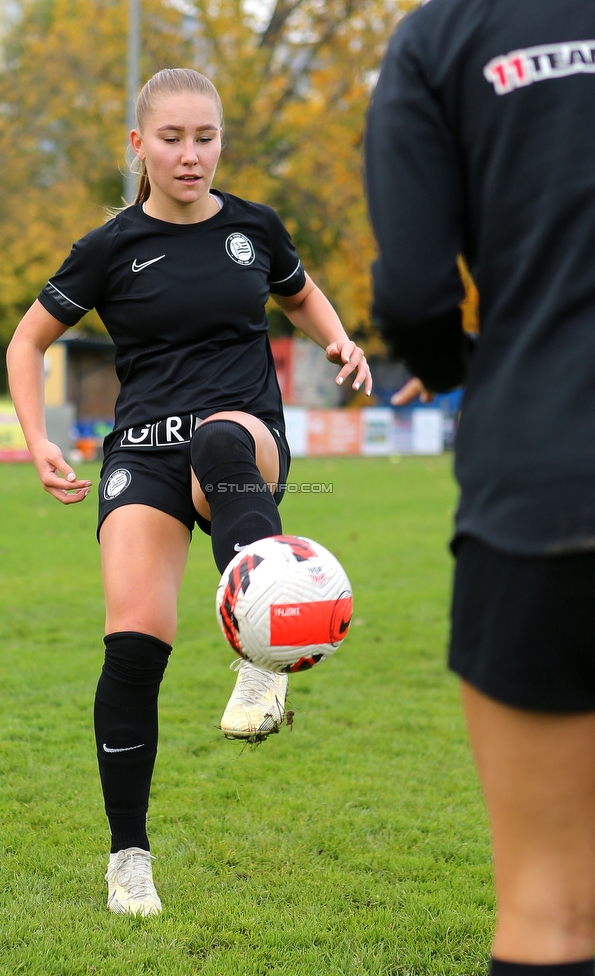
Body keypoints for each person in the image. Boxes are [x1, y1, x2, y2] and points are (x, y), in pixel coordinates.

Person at [6, 67, 371, 917]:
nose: (191, 154)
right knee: (133, 646)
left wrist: (339, 340)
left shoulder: (255, 227)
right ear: (139, 144)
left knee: (218, 439)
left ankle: (261, 662)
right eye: (171, 138)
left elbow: (300, 291)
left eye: (205, 137)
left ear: (219, 141)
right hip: (140, 452)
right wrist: (37, 439)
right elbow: (27, 343)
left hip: (240, 440)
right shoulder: (109, 247)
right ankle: (127, 858)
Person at [364, 2, 595, 975]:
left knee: (550, 917)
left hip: (543, 478)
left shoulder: (438, 38)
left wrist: (468, 364)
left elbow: (414, 293)